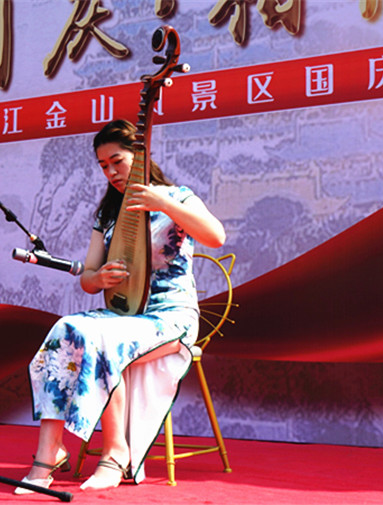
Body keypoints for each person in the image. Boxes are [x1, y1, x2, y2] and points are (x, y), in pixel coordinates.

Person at [16, 119, 226, 494]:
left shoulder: (178, 196)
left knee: (102, 340)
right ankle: (49, 452)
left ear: (139, 158)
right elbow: (87, 277)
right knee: (65, 328)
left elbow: (216, 236)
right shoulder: (109, 213)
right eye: (103, 166)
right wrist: (99, 278)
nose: (111, 172)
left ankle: (115, 455)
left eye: (117, 162)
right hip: (124, 314)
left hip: (171, 317)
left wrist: (163, 203)